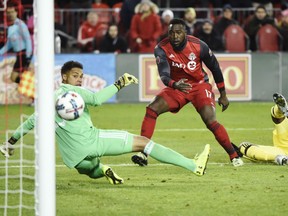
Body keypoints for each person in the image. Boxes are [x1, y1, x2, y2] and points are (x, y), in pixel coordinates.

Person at [0, 60, 211, 185]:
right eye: (75, 76)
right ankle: (194, 166)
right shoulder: (76, 93)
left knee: (91, 169)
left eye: (81, 76)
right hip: (93, 141)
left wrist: (10, 141)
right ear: (64, 77)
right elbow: (98, 99)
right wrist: (120, 83)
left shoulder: (48, 100)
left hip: (72, 156)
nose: (79, 79)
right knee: (144, 143)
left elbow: (29, 122)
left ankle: (103, 170)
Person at [131, 18, 244, 167]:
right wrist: (174, 84)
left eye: (178, 32)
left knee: (210, 120)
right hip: (178, 87)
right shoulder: (161, 48)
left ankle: (234, 155)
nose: (175, 36)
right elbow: (164, 74)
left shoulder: (199, 46)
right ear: (168, 34)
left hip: (199, 86)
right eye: (172, 33)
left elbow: (215, 68)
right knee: (152, 108)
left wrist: (223, 94)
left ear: (185, 32)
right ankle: (143, 152)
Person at [237, 93, 288, 165]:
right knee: (244, 146)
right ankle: (281, 109)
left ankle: (281, 158)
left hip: (281, 151)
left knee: (244, 147)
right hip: (281, 149)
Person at [0, 2, 32, 84]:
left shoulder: (21, 25)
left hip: (24, 54)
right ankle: (31, 88)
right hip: (19, 54)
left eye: (12, 12)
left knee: (15, 77)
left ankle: (33, 89)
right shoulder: (10, 27)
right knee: (15, 78)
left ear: (16, 12)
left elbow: (28, 40)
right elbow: (9, 44)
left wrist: (28, 57)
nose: (10, 14)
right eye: (8, 13)